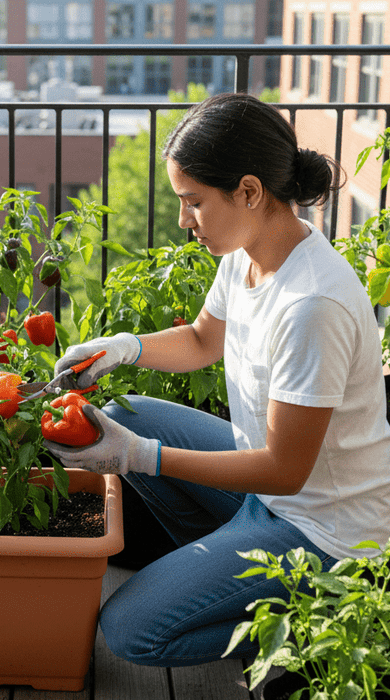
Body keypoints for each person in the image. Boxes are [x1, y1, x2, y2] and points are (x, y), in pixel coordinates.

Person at [43, 93, 390, 678]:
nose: (184, 221)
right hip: (268, 496)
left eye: (194, 202)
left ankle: (313, 622)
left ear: (249, 191)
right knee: (129, 409)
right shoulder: (248, 251)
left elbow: (284, 469)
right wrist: (121, 348)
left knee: (130, 631)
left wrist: (139, 459)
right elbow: (204, 339)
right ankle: (231, 570)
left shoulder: (312, 305)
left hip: (326, 532)